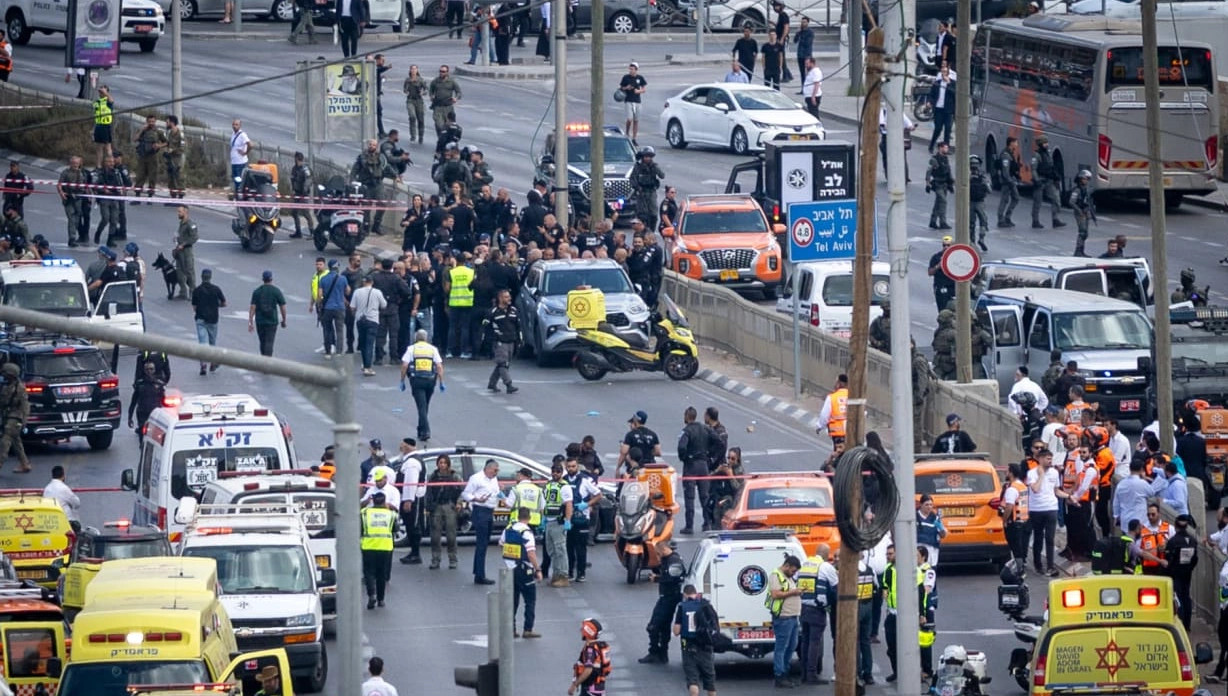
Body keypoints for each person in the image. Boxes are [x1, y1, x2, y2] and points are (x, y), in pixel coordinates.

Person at [641, 540, 686, 664]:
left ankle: (655, 652)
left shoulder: (674, 561)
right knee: (664, 626)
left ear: (664, 550)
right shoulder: (668, 560)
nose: (658, 556)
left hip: (669, 597)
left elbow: (673, 578)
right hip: (667, 596)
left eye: (658, 553)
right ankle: (662, 654)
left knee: (653, 626)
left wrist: (657, 578)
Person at [501, 506, 543, 637]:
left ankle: (511, 629)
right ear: (529, 518)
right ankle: (528, 629)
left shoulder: (508, 529)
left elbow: (501, 544)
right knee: (530, 600)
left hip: (510, 569)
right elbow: (531, 554)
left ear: (518, 516)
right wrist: (538, 569)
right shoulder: (527, 532)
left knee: (513, 601)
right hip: (524, 570)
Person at [797, 543, 836, 684]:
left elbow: (796, 581)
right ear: (826, 554)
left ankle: (804, 674)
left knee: (805, 641)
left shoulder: (804, 564)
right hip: (817, 609)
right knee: (815, 642)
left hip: (803, 608)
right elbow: (836, 586)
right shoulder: (825, 566)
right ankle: (811, 675)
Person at [674, 584, 719, 696]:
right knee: (710, 682)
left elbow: (676, 631)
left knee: (693, 680)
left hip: (688, 647)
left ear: (685, 594)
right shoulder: (706, 605)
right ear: (696, 593)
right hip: (706, 647)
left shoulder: (682, 607)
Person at [401, 329, 445, 443]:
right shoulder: (432, 349)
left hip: (417, 381)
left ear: (416, 338)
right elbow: (439, 366)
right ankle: (421, 429)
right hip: (430, 380)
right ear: (426, 338)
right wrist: (441, 382)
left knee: (421, 407)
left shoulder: (411, 349)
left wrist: (402, 380)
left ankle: (425, 431)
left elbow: (405, 365)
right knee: (425, 405)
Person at [564, 453, 602, 582]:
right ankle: (569, 572)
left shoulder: (586, 480)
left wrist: (587, 504)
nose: (571, 469)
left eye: (573, 466)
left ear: (577, 466)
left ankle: (581, 573)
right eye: (569, 466)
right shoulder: (563, 480)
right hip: (568, 518)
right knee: (568, 547)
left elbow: (598, 495)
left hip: (582, 518)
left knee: (581, 547)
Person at [462, 459, 501, 585]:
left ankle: (478, 572)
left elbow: (495, 493)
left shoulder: (494, 479)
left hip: (490, 511)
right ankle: (479, 574)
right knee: (481, 543)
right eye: (495, 470)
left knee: (485, 542)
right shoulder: (476, 478)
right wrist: (476, 499)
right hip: (480, 510)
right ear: (488, 468)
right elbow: (466, 494)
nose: (496, 473)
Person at [766, 555, 802, 688]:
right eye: (793, 570)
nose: (794, 573)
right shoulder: (776, 576)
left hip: (793, 617)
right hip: (783, 617)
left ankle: (785, 672)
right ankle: (779, 675)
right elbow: (775, 594)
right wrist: (793, 592)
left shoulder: (788, 577)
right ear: (786, 566)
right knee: (781, 647)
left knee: (792, 645)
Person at [678, 406, 715, 534]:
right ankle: (707, 523)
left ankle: (689, 526)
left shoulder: (686, 431)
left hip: (690, 466)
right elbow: (718, 441)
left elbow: (681, 447)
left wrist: (684, 457)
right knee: (705, 496)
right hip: (703, 466)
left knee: (689, 497)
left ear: (687, 416)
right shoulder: (705, 428)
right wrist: (710, 455)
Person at [424, 454, 462, 569]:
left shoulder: (454, 476)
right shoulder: (433, 476)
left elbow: (461, 491)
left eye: (445, 463)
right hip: (436, 507)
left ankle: (453, 559)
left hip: (449, 506)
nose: (442, 465)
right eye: (440, 463)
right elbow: (428, 493)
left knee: (451, 536)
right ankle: (435, 560)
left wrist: (459, 503)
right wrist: (428, 507)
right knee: (435, 537)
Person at [1027, 448, 1060, 576]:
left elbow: (1056, 490)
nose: (1050, 461)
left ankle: (1050, 566)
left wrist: (1070, 497)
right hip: (1037, 509)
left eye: (1051, 459)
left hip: (1051, 507)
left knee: (1050, 538)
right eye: (1047, 459)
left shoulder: (1055, 473)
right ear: (1040, 459)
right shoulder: (1032, 473)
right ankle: (1038, 564)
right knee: (1038, 537)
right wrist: (1041, 475)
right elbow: (1035, 489)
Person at [360, 489, 396, 609]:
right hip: (385, 547)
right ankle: (381, 600)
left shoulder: (365, 513)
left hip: (368, 546)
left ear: (373, 501)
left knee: (369, 572)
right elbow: (396, 528)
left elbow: (360, 529)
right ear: (384, 502)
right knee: (381, 574)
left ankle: (372, 595)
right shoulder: (391, 514)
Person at [542, 460, 574, 586]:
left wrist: (568, 520)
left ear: (561, 473)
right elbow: (545, 502)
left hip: (559, 521)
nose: (555, 473)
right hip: (549, 521)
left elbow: (568, 504)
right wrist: (543, 518)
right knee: (551, 550)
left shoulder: (564, 486)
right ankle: (556, 575)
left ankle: (563, 576)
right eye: (553, 471)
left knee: (560, 550)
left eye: (558, 472)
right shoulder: (549, 485)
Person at [1166, 514, 1198, 630]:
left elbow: (1169, 558)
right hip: (1187, 572)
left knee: (1178, 597)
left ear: (1176, 526)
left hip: (1176, 573)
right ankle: (1187, 624)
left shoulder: (1173, 541)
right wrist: (1189, 568)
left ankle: (1180, 623)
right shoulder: (1192, 541)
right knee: (1186, 596)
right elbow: (1195, 559)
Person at [484, 288, 520, 393]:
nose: (509, 299)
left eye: (509, 296)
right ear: (500, 298)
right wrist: (491, 339)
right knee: (503, 363)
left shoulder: (514, 310)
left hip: (511, 341)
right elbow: (486, 326)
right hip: (499, 341)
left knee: (503, 364)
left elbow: (518, 326)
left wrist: (519, 339)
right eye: (506, 297)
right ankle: (509, 385)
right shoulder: (492, 312)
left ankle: (492, 383)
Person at [248, 270, 287, 357]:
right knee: (269, 341)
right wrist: (284, 320)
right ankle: (267, 360)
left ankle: (263, 358)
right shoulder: (276, 291)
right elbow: (283, 307)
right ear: (271, 279)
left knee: (262, 342)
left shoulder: (257, 291)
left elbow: (252, 307)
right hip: (272, 321)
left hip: (260, 321)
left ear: (263, 279)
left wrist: (250, 322)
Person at [1030, 136, 1065, 229]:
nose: (1047, 144)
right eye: (1045, 143)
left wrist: (1056, 178)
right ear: (1040, 144)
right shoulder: (1036, 155)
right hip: (1040, 180)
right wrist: (1037, 180)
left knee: (1056, 199)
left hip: (1049, 180)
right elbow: (1033, 169)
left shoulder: (1048, 154)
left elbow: (1051, 167)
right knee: (1037, 202)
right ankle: (1035, 221)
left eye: (1047, 143)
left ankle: (1055, 219)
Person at [316, 260, 349, 359]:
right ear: (337, 268)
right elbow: (347, 291)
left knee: (327, 330)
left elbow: (320, 295)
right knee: (340, 330)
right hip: (340, 308)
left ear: (329, 267)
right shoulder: (342, 278)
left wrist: (320, 304)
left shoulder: (323, 279)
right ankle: (339, 351)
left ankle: (328, 351)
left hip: (327, 308)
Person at [568, 619, 610, 696]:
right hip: (598, 688)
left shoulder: (590, 650)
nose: (581, 630)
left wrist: (575, 685)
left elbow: (588, 670)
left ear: (587, 632)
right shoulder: (598, 646)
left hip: (590, 690)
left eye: (583, 628)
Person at [128, 360, 166, 440]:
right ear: (144, 371)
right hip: (142, 412)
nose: (149, 371)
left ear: (154, 370)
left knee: (155, 434)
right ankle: (142, 445)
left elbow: (164, 401)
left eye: (151, 369)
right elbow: (133, 401)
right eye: (147, 369)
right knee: (142, 432)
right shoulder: (140, 384)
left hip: (155, 413)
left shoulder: (159, 384)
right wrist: (130, 417)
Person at [1112, 458, 1151, 532]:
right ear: (1141, 470)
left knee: (1126, 538)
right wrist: (1144, 478)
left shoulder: (1122, 483)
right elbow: (1151, 492)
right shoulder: (1142, 483)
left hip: (1125, 519)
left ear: (1129, 469)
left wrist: (1116, 515)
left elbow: (1116, 502)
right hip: (1140, 520)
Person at [630, 147, 665, 230]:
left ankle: (651, 230)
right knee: (642, 214)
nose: (648, 159)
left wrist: (655, 167)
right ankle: (643, 230)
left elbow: (662, 175)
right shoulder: (638, 167)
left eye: (649, 157)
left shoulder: (654, 166)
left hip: (651, 192)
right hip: (641, 193)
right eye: (646, 156)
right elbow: (632, 179)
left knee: (653, 214)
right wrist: (637, 187)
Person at [57, 156, 88, 247]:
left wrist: (89, 195)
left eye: (77, 163)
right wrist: (61, 193)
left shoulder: (82, 173)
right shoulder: (65, 173)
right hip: (69, 198)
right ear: (70, 163)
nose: (75, 165)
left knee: (77, 219)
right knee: (71, 219)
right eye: (73, 163)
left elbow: (86, 185)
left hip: (78, 198)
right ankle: (72, 239)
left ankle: (74, 235)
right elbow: (59, 184)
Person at [1001, 463, 1029, 561]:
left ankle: (1018, 567)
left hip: (1014, 522)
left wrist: (1004, 520)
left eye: (1007, 471)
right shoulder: (1022, 486)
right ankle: (1022, 564)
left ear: (1011, 473)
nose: (1005, 472)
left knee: (1015, 548)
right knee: (1021, 546)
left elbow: (1009, 506)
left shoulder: (1012, 489)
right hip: (1024, 520)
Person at [926, 142, 953, 230]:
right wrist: (928, 184)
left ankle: (933, 221)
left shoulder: (945, 159)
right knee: (943, 202)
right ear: (940, 148)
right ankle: (943, 222)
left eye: (947, 148)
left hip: (945, 184)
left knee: (938, 202)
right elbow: (929, 172)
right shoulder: (934, 159)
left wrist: (950, 184)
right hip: (937, 184)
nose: (946, 149)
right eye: (945, 148)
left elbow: (948, 171)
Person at [43, 465, 80, 531]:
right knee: (77, 526)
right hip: (65, 522)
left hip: (50, 523)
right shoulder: (64, 488)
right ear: (63, 476)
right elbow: (77, 503)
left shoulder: (47, 489)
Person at [428, 65, 462, 136]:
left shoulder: (451, 82)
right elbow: (431, 90)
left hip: (448, 107)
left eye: (443, 71)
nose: (441, 73)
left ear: (447, 72)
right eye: (440, 71)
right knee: (439, 125)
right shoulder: (435, 81)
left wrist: (456, 98)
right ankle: (441, 139)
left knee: (449, 126)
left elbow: (458, 92)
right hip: (438, 107)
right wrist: (431, 96)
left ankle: (447, 139)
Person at [172, 205, 197, 300]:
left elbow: (194, 237)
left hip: (187, 252)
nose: (178, 214)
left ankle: (193, 292)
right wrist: (176, 239)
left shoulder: (190, 224)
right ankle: (183, 292)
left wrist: (184, 244)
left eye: (180, 212)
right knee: (180, 273)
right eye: (178, 211)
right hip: (179, 251)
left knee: (189, 272)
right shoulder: (181, 223)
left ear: (185, 212)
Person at [928, 64, 954, 153]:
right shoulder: (937, 83)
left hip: (948, 110)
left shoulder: (952, 83)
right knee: (938, 128)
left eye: (945, 72)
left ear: (948, 73)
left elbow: (954, 94)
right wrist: (930, 102)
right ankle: (931, 145)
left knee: (948, 129)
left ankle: (946, 148)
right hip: (938, 109)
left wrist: (949, 83)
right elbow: (932, 94)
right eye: (942, 72)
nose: (944, 74)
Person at [916, 494, 948, 566]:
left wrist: (941, 528)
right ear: (921, 505)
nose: (929, 507)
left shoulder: (935, 518)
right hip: (918, 549)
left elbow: (942, 535)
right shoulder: (915, 517)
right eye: (926, 505)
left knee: (930, 569)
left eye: (931, 505)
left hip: (932, 550)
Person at [816, 374, 848, 444]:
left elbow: (824, 415)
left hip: (838, 433)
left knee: (838, 450)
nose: (834, 385)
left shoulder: (832, 397)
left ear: (839, 384)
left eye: (836, 382)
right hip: (852, 433)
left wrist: (820, 426)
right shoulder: (854, 397)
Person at [997, 136, 1021, 228]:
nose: (1017, 144)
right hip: (1007, 181)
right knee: (1004, 200)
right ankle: (1000, 219)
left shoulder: (1011, 153)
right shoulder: (1006, 155)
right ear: (1011, 143)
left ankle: (1007, 217)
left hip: (1011, 180)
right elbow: (1005, 171)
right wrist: (1010, 181)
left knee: (1016, 198)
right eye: (1016, 142)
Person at [1069, 169, 1094, 257]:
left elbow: (1088, 201)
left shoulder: (1085, 189)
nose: (1086, 181)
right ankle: (1078, 251)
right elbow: (1071, 202)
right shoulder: (1077, 190)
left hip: (1085, 212)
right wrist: (1080, 211)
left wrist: (1089, 212)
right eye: (1085, 179)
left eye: (1087, 179)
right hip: (1080, 213)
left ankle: (1081, 251)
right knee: (1082, 232)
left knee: (1085, 233)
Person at [928, 236, 956, 314]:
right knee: (943, 311)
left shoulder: (956, 256)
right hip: (941, 287)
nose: (946, 247)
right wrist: (938, 266)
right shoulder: (936, 257)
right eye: (944, 245)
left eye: (948, 245)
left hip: (953, 287)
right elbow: (930, 272)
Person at [620, 62, 648, 138]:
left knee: (636, 120)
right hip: (628, 100)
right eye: (630, 69)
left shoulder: (640, 78)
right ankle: (627, 132)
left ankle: (634, 137)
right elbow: (621, 87)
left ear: (636, 70)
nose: (630, 71)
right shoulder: (626, 77)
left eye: (632, 69)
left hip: (637, 101)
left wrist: (638, 91)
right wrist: (626, 87)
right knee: (629, 118)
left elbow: (644, 89)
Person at [969, 154, 990, 250]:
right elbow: (989, 190)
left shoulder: (966, 174)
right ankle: (979, 239)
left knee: (972, 223)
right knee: (982, 221)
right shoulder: (982, 175)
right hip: (979, 202)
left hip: (971, 202)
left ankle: (973, 242)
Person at [403, 65, 428, 145]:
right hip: (410, 100)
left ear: (417, 70)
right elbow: (404, 89)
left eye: (415, 69)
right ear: (410, 70)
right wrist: (406, 91)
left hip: (419, 101)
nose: (413, 70)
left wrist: (422, 92)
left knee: (420, 119)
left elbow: (426, 89)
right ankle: (413, 136)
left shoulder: (420, 80)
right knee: (412, 117)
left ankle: (421, 136)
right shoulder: (407, 80)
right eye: (412, 69)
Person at [228, 120, 251, 196]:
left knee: (239, 179)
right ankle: (237, 193)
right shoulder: (233, 134)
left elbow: (250, 145)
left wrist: (245, 152)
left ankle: (240, 194)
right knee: (235, 179)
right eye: (233, 124)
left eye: (236, 124)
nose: (234, 126)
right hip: (234, 162)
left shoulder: (242, 135)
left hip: (240, 162)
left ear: (240, 126)